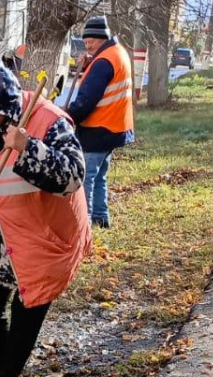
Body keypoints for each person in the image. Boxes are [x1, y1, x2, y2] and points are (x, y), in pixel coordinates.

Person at [0, 60, 91, 377]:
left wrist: (29, 148)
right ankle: (1, 372)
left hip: (46, 235)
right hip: (3, 229)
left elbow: (72, 176)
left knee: (27, 305)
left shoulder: (49, 122)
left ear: (2, 107)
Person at [66, 16, 135, 229]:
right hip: (116, 127)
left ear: (101, 39)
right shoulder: (116, 53)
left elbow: (86, 100)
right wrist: (89, 63)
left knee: (86, 178)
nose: (88, 47)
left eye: (91, 43)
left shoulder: (103, 62)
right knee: (100, 176)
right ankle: (101, 218)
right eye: (85, 43)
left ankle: (84, 224)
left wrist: (68, 117)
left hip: (99, 128)